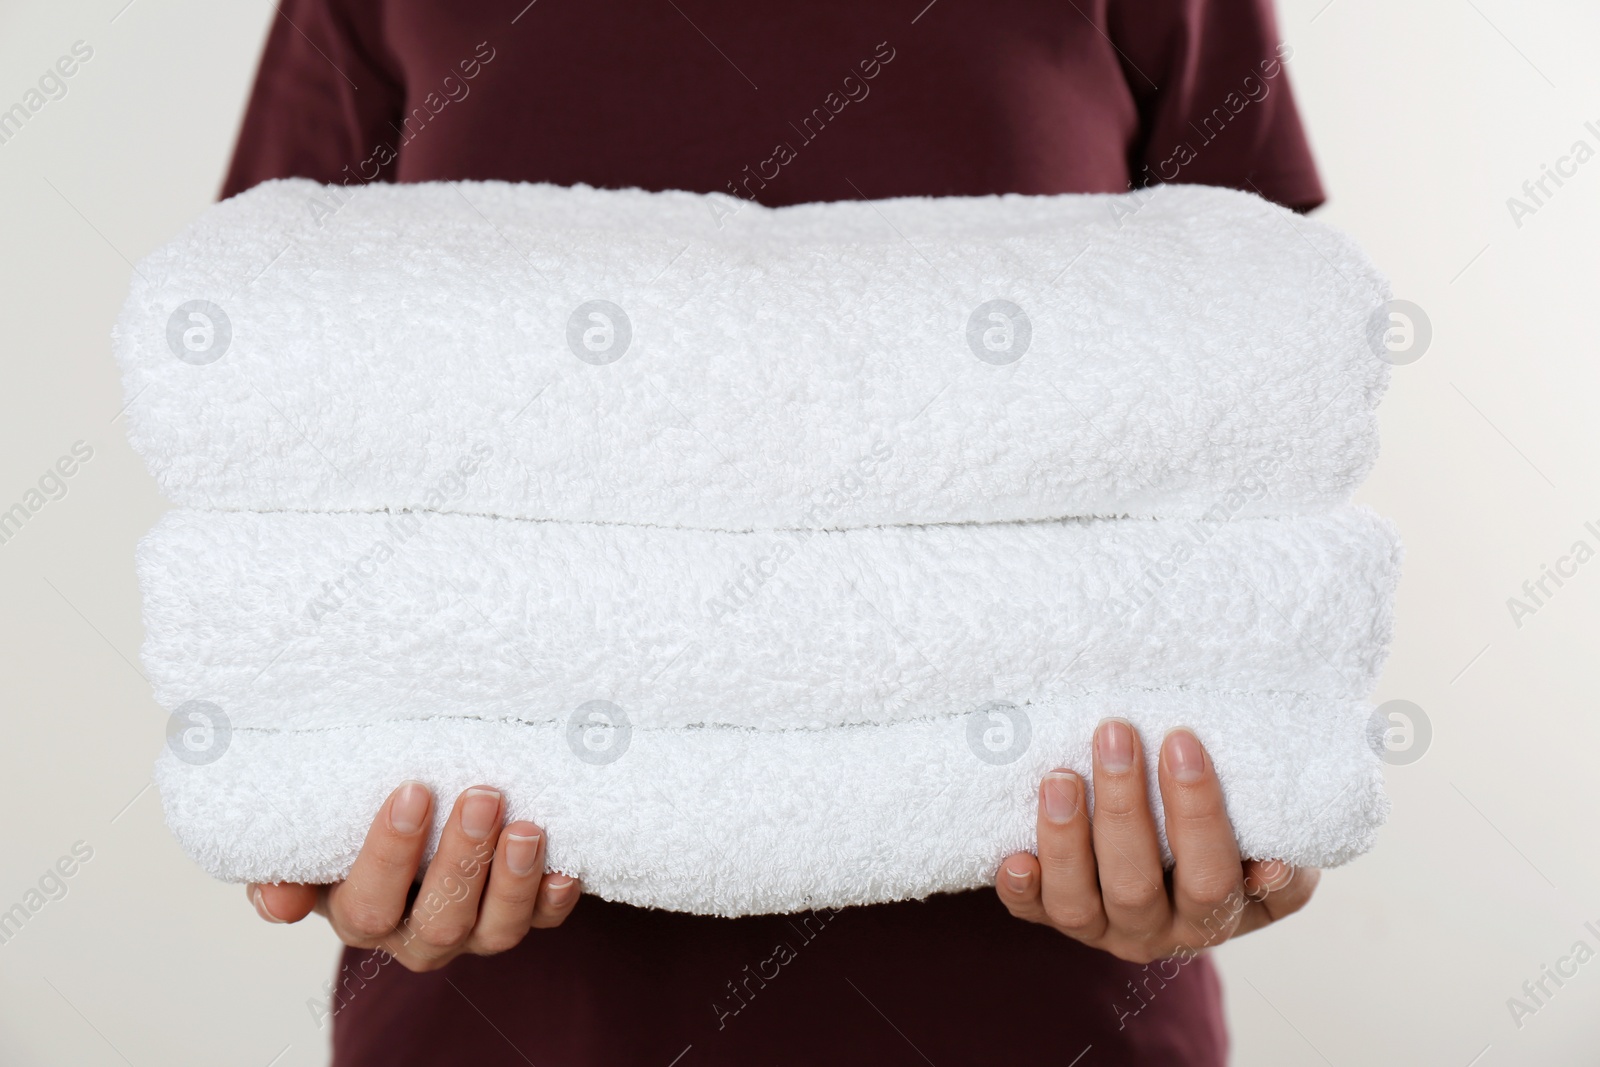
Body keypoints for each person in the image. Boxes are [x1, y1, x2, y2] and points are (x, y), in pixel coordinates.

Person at [226, 3, 1325, 1063]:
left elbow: (1259, 372)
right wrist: (325, 798)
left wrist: (1257, 814)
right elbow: (277, 376)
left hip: (1056, 1025)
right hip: (500, 1035)